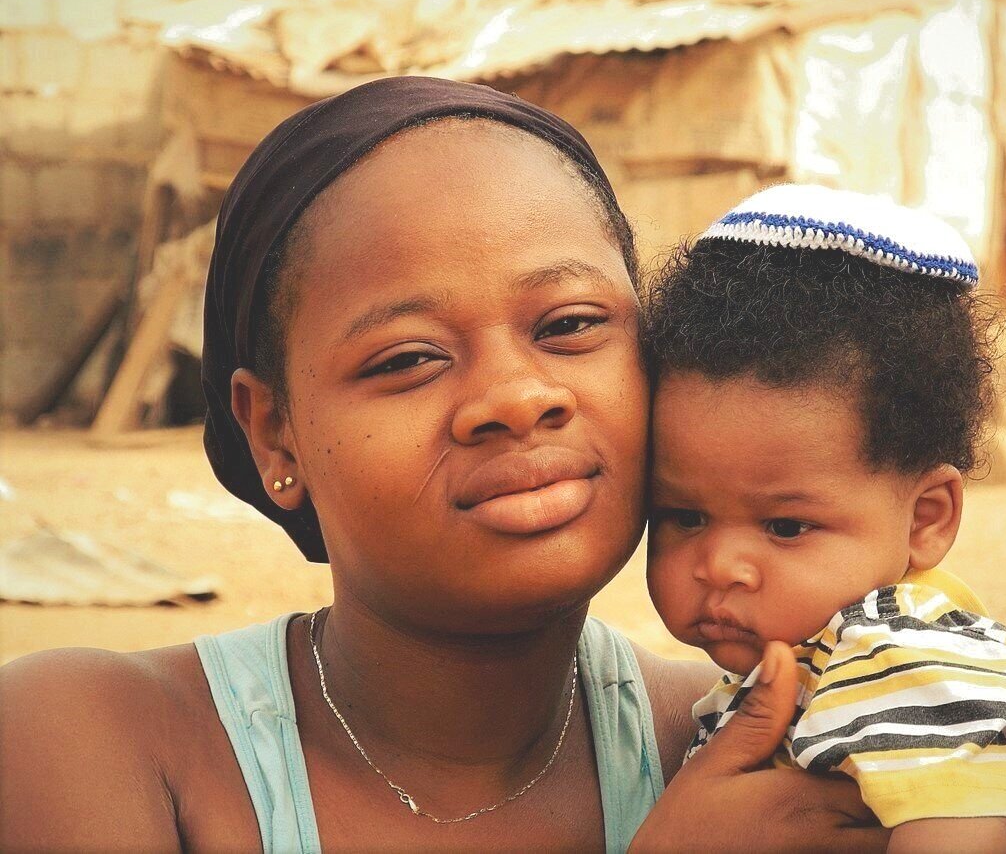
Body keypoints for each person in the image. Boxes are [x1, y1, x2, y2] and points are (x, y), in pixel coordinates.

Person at [0, 80, 887, 852]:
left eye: (571, 325)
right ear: (276, 434)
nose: (514, 396)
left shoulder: (769, 743)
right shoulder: (98, 742)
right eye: (408, 359)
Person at [642, 184, 1006, 853]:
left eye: (785, 527)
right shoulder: (813, 660)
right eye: (683, 515)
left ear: (926, 520)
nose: (719, 566)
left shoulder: (900, 660)